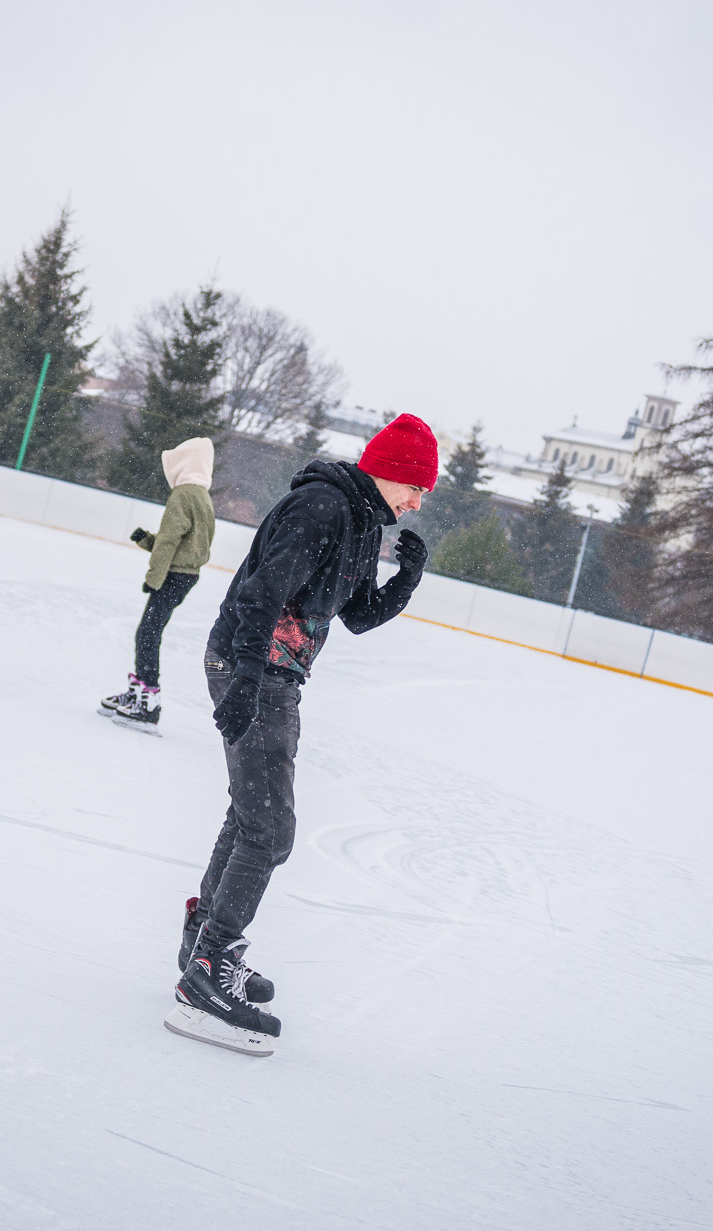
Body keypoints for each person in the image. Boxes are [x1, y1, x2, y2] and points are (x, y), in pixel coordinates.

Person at [166, 414, 435, 1056]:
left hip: (274, 672)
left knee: (250, 814)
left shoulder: (364, 524)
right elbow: (261, 596)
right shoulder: (321, 507)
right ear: (386, 470)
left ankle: (206, 941)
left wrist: (405, 581)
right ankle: (208, 969)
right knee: (270, 829)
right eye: (415, 486)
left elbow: (356, 616)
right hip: (250, 664)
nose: (418, 501)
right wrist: (247, 680)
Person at [101, 437, 217, 732]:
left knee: (147, 634)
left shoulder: (183, 494)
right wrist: (147, 541)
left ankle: (148, 703)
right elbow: (185, 544)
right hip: (187, 575)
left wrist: (154, 578)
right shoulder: (202, 495)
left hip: (173, 576)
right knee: (148, 633)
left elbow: (169, 542)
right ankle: (140, 692)